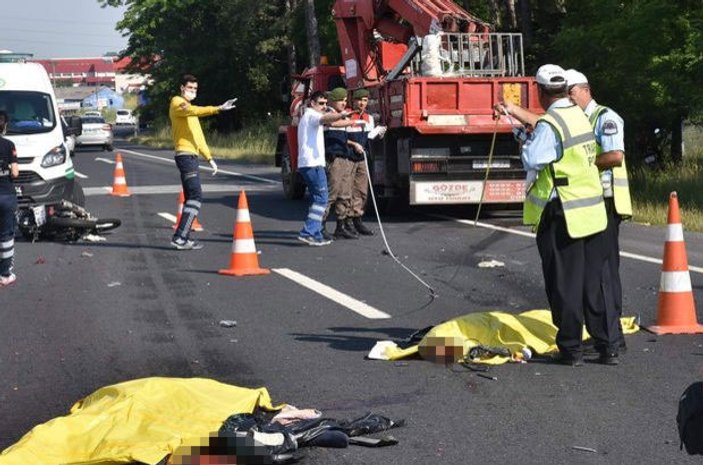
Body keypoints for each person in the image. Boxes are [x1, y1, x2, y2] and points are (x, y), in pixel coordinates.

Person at [494, 64, 620, 366]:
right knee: (593, 284)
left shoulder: (551, 124)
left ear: (540, 91)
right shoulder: (578, 115)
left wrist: (523, 138)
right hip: (592, 211)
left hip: (562, 213)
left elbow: (533, 160)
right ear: (565, 89)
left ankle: (570, 349)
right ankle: (607, 346)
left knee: (564, 284)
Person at [565, 69, 632, 351]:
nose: (568, 99)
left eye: (571, 93)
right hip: (590, 200)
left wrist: (584, 166)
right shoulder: (577, 120)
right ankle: (610, 333)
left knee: (603, 272)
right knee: (596, 272)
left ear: (585, 90)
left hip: (606, 201)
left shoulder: (605, 117)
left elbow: (615, 156)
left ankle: (611, 338)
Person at [169, 74, 237, 250]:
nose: (192, 91)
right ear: (182, 88)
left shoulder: (190, 110)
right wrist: (218, 108)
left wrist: (209, 158)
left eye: (195, 89)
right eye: (189, 88)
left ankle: (183, 237)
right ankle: (180, 237)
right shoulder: (178, 103)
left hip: (191, 156)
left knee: (191, 198)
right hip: (185, 156)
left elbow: (198, 137)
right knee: (195, 196)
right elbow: (193, 110)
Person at [296, 90, 352, 246]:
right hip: (312, 164)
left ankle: (314, 233)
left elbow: (330, 122)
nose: (324, 106)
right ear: (312, 103)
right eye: (321, 103)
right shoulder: (312, 115)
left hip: (310, 164)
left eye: (326, 103)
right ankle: (309, 232)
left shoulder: (310, 116)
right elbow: (327, 118)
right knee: (322, 198)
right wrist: (342, 115)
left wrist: (348, 121)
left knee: (316, 199)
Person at [323, 87, 364, 240]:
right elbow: (333, 124)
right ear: (333, 100)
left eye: (346, 100)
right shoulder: (327, 114)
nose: (344, 103)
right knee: (332, 193)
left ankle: (341, 225)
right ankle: (321, 225)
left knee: (345, 193)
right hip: (334, 157)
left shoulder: (342, 116)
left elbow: (343, 136)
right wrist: (350, 121)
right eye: (341, 100)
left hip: (344, 155)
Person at [345, 88, 387, 236]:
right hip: (349, 157)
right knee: (347, 189)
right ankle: (347, 221)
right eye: (359, 100)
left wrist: (378, 134)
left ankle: (358, 220)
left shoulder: (369, 118)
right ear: (353, 101)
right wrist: (353, 144)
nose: (362, 103)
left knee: (361, 190)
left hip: (363, 157)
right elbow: (341, 137)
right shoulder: (347, 115)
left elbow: (368, 137)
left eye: (364, 100)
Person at [0, 111, 18, 286]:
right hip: (5, 194)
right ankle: (4, 274)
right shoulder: (8, 145)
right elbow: (15, 172)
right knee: (5, 235)